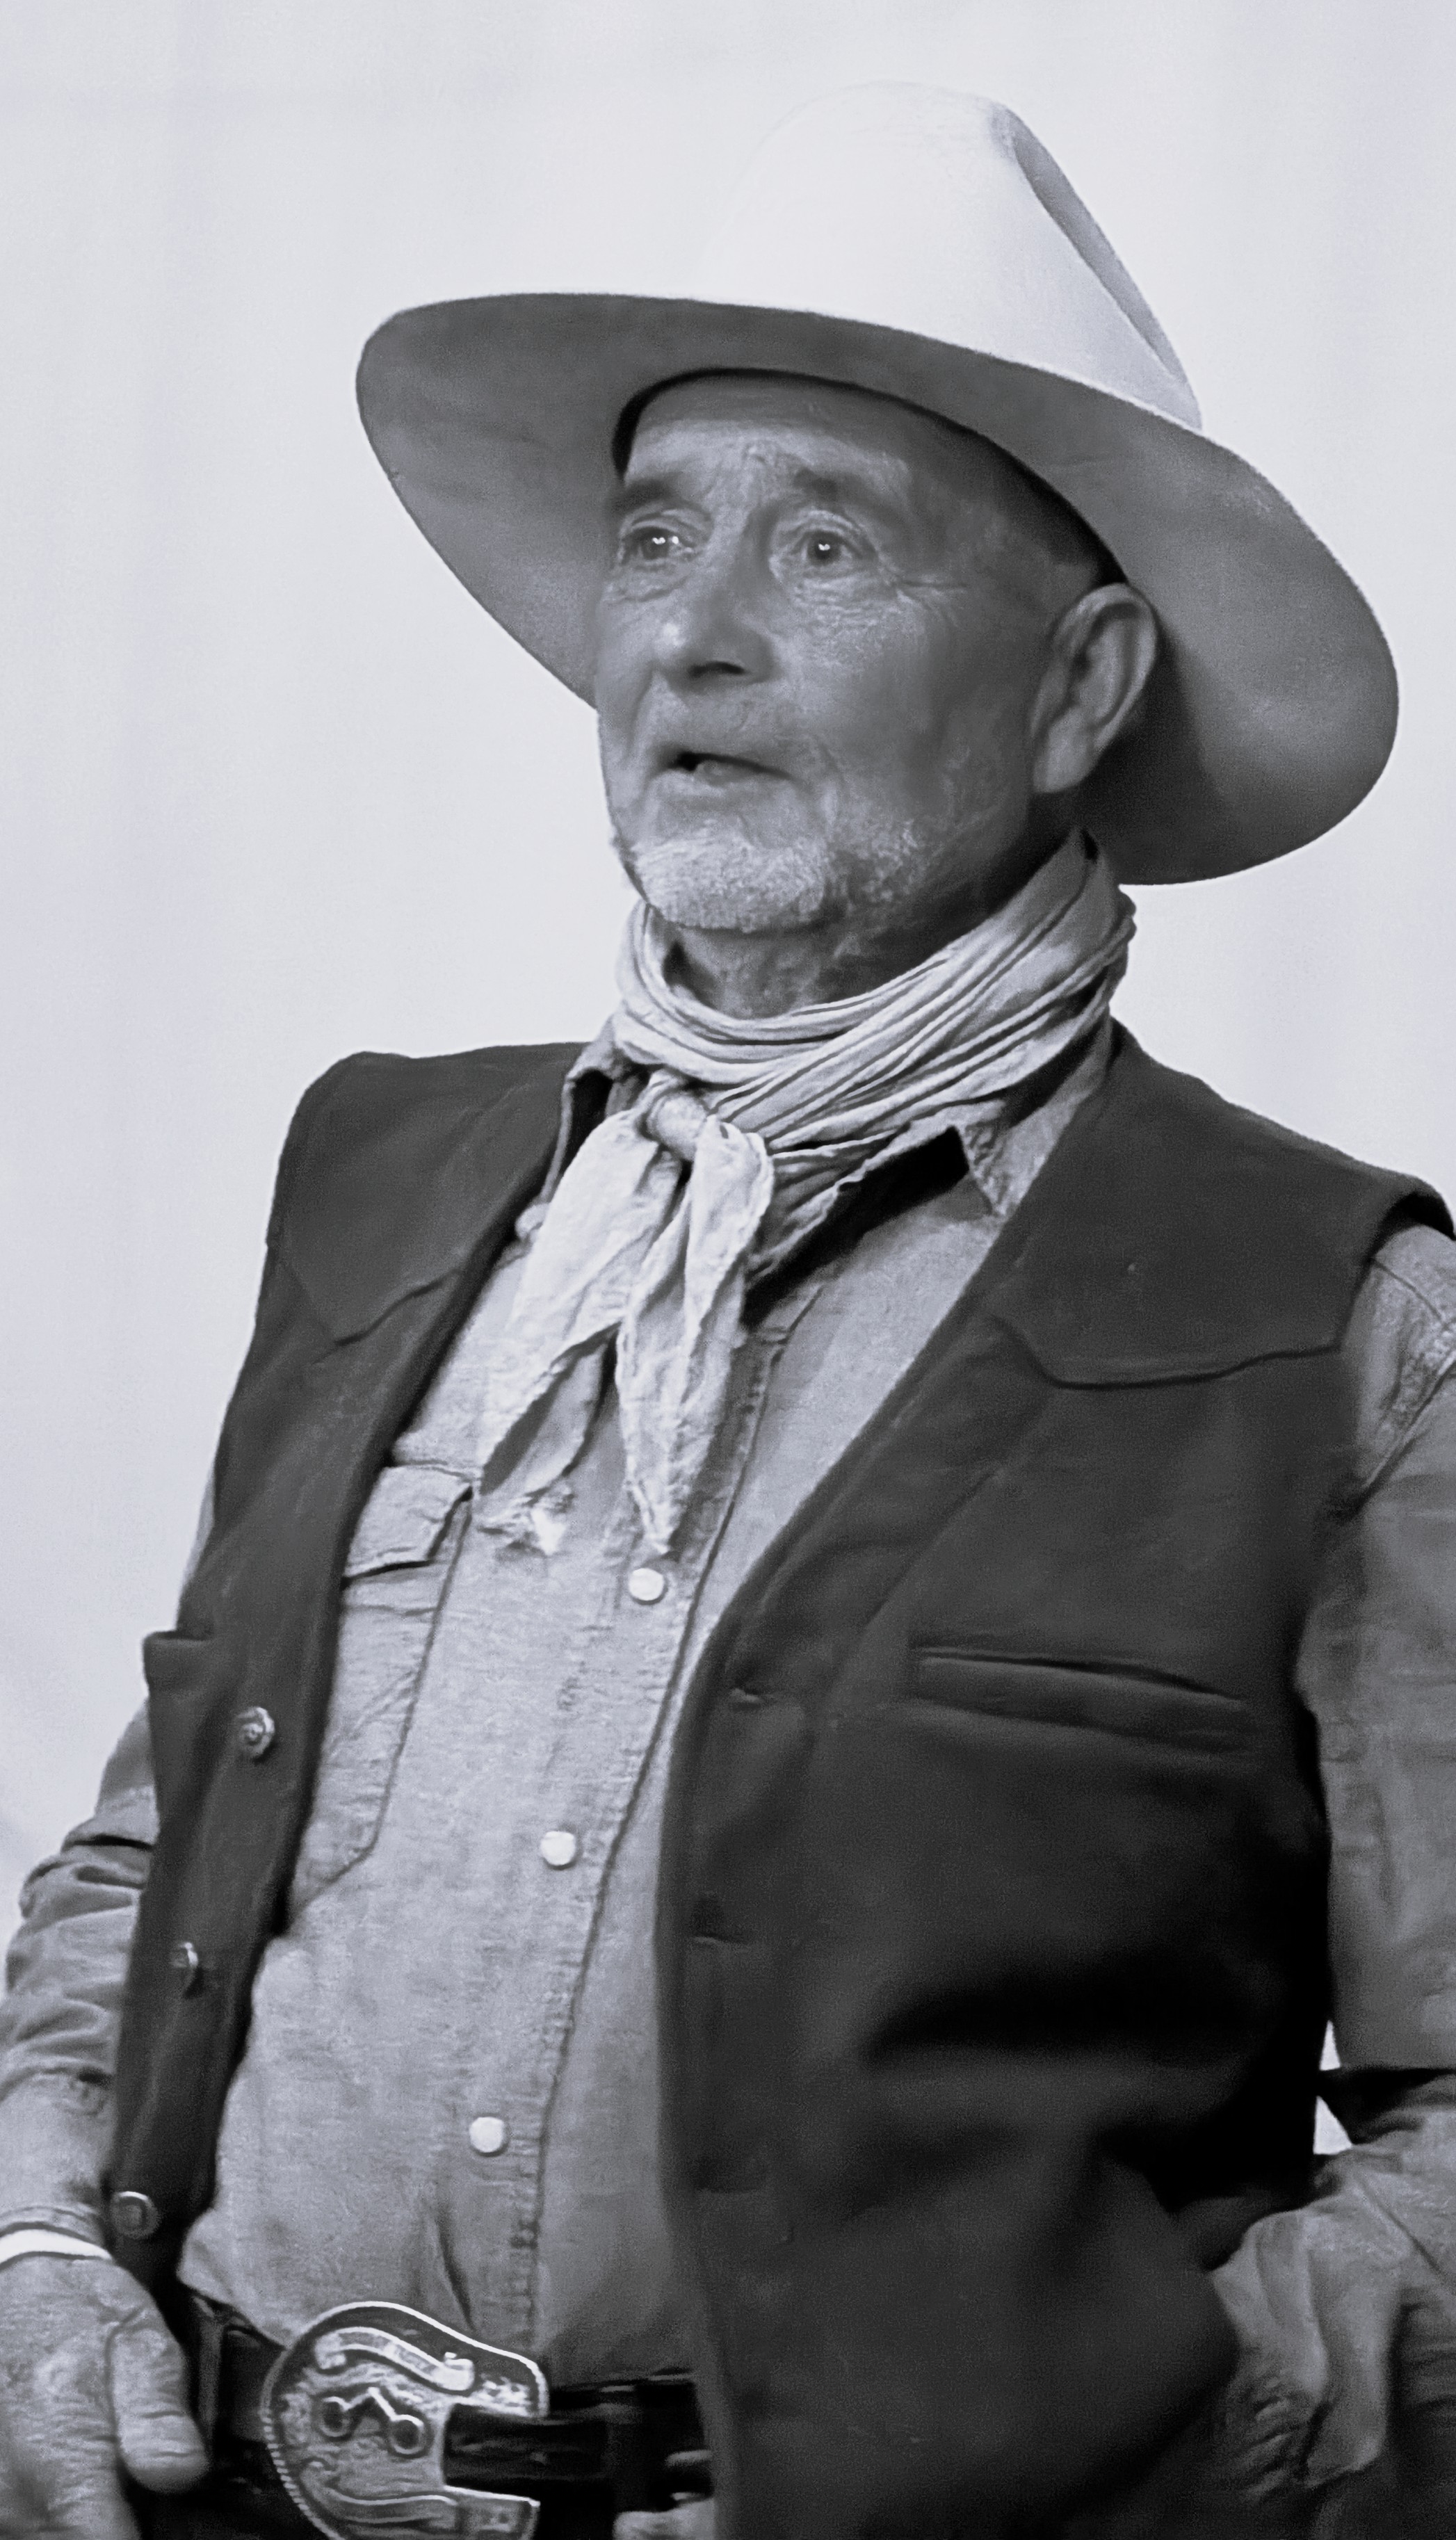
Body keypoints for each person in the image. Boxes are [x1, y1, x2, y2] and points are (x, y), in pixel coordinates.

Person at [1, 80, 1454, 2540]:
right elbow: (158, 1867)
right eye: (656, 535)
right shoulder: (381, 1183)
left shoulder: (1335, 1326)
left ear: (1082, 688)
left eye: (826, 545)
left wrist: (1124, 2463)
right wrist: (37, 2243)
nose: (691, 629)